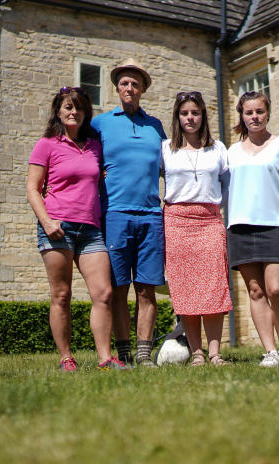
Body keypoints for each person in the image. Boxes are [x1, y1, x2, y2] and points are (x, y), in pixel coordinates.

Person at [26, 87, 127, 371]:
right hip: (57, 226)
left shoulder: (94, 145)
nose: (74, 112)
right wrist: (47, 222)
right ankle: (65, 358)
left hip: (91, 230)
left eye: (79, 108)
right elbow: (33, 189)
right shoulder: (46, 144)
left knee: (104, 293)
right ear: (58, 111)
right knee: (61, 294)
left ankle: (106, 359)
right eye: (68, 107)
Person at [226, 90, 279, 367]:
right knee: (255, 291)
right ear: (242, 115)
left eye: (259, 112)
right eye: (249, 112)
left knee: (275, 289)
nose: (254, 117)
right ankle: (270, 352)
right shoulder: (232, 152)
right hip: (240, 227)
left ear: (268, 113)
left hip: (275, 226)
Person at [91, 59, 166, 368]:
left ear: (143, 89)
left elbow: (170, 168)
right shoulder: (100, 124)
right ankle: (124, 353)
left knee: (147, 289)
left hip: (151, 216)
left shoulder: (156, 126)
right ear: (117, 88)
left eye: (136, 84)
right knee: (119, 288)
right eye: (124, 83)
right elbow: (83, 158)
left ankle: (145, 354)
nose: (130, 88)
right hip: (115, 215)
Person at [161, 91, 232, 366]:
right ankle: (197, 353)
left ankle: (215, 353)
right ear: (177, 117)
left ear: (203, 116)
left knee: (214, 286)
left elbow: (227, 183)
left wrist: (213, 205)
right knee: (185, 288)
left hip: (209, 221)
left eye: (195, 113)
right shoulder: (166, 148)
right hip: (177, 222)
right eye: (184, 113)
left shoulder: (218, 149)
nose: (190, 118)